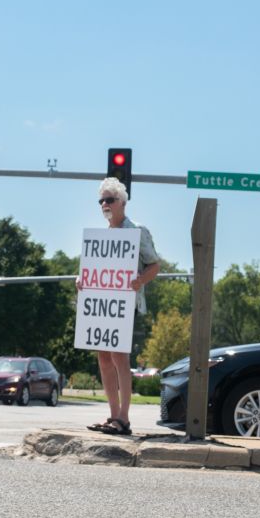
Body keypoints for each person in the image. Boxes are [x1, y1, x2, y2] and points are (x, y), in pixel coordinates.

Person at [77, 177, 160, 435]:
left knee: (119, 357)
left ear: (122, 202)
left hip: (126, 303)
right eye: (101, 200)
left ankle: (124, 417)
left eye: (109, 199)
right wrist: (81, 279)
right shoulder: (102, 237)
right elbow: (93, 271)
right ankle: (112, 415)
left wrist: (140, 281)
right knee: (103, 356)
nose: (104, 204)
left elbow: (154, 265)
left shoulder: (137, 231)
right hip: (103, 303)